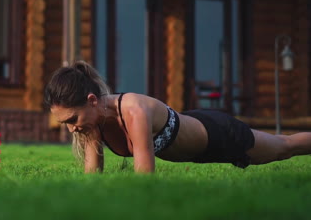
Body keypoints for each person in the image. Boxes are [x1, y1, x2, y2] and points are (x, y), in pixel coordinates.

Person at [43, 60, 311, 173]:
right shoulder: (91, 122)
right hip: (194, 141)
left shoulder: (133, 111)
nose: (70, 130)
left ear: (91, 101)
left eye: (71, 120)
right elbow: (92, 181)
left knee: (283, 148)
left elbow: (144, 180)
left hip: (217, 135)